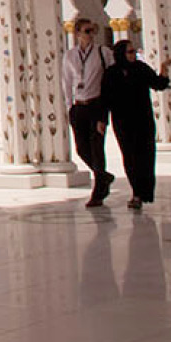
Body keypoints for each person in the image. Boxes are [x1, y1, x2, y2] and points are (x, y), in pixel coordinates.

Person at [102, 39, 171, 210]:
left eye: (133, 52)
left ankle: (144, 192)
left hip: (143, 120)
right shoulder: (111, 73)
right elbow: (106, 99)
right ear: (120, 54)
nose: (133, 55)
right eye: (129, 52)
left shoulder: (140, 68)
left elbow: (158, 84)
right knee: (130, 157)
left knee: (145, 157)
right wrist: (102, 120)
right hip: (123, 122)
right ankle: (136, 192)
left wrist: (164, 69)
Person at [63, 16, 114, 206]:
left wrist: (105, 112)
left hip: (96, 106)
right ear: (77, 34)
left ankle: (98, 192)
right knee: (82, 149)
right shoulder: (69, 56)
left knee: (97, 148)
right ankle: (103, 176)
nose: (91, 34)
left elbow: (110, 80)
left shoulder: (103, 53)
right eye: (86, 31)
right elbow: (66, 82)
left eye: (93, 30)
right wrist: (70, 107)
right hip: (79, 106)